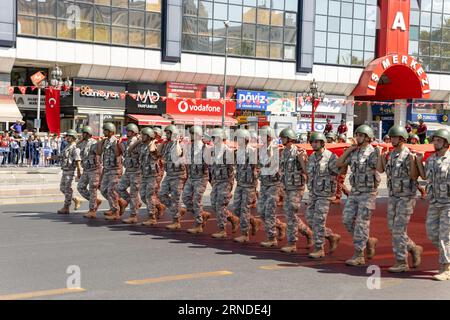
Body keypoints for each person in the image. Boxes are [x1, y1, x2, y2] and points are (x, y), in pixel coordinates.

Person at [376, 125, 423, 273]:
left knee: (398, 229)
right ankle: (413, 248)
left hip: (406, 197)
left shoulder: (408, 155)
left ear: (402, 139)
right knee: (392, 228)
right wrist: (381, 156)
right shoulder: (391, 154)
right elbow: (380, 169)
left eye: (394, 137)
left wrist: (414, 161)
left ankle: (401, 261)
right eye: (391, 137)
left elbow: (415, 176)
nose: (391, 140)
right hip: (394, 196)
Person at [336, 124, 379, 266]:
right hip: (355, 191)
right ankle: (367, 241)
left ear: (367, 138)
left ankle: (359, 255)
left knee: (362, 223)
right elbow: (339, 163)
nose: (357, 137)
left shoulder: (373, 152)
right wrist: (349, 150)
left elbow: (380, 168)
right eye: (357, 135)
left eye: (361, 135)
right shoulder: (354, 152)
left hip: (368, 192)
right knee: (347, 219)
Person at [416, 129, 450, 280]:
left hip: (448, 203)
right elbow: (424, 176)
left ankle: (446, 269)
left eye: (438, 140)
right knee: (431, 233)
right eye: (434, 140)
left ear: (446, 143)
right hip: (435, 202)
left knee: (444, 236)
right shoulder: (430, 159)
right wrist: (418, 161)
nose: (435, 143)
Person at [305, 132, 341, 258]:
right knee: (309, 218)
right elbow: (308, 172)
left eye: (316, 142)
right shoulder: (312, 157)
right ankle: (331, 236)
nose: (313, 144)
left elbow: (338, 172)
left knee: (318, 221)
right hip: (314, 192)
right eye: (312, 142)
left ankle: (319, 248)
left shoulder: (330, 157)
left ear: (322, 143)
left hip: (325, 194)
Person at [279, 127, 312, 253]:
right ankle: (308, 233)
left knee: (290, 214)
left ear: (289, 139)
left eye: (283, 138)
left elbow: (306, 170)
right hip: (287, 186)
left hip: (297, 187)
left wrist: (301, 159)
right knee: (289, 215)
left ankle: (292, 242)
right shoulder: (284, 152)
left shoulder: (299, 151)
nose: (281, 140)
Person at [208, 128, 239, 239]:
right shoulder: (212, 150)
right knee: (213, 203)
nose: (212, 139)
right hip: (216, 181)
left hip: (226, 181)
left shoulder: (228, 151)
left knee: (220, 204)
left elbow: (235, 166)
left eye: (214, 137)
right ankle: (232, 218)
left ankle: (222, 230)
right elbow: (210, 166)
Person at [231, 129, 260, 243]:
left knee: (244, 209)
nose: (238, 141)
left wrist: (254, 184)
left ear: (246, 140)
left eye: (240, 139)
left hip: (249, 185)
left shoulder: (252, 152)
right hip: (240, 183)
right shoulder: (238, 152)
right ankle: (253, 221)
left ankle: (244, 234)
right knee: (236, 209)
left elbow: (257, 168)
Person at [157, 125, 187, 230]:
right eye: (166, 133)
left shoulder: (181, 144)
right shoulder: (167, 144)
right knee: (161, 195)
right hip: (169, 174)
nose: (167, 135)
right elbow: (158, 153)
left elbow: (178, 154)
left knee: (175, 198)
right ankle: (178, 210)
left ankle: (176, 221)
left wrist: (177, 142)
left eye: (168, 133)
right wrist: (163, 142)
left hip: (178, 175)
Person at [117, 124, 143, 224]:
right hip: (128, 170)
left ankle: (133, 215)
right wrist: (119, 144)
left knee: (134, 194)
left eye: (128, 131)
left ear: (133, 132)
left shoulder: (138, 142)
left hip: (136, 172)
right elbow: (125, 153)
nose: (126, 132)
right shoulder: (127, 142)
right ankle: (135, 203)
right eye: (126, 131)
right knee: (119, 188)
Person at [98, 122, 123, 220]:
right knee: (103, 190)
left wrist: (117, 144)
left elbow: (118, 154)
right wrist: (101, 142)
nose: (104, 132)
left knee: (111, 191)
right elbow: (99, 153)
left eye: (106, 130)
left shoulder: (115, 141)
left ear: (111, 132)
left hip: (115, 169)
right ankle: (120, 202)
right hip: (107, 168)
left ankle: (115, 211)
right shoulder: (106, 141)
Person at [77, 126, 102, 219]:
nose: (82, 134)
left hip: (94, 170)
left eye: (83, 133)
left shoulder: (94, 143)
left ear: (88, 134)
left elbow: (99, 154)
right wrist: (81, 140)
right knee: (80, 187)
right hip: (86, 170)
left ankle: (92, 210)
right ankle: (96, 201)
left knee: (93, 189)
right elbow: (76, 146)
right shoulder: (83, 143)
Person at [138, 127, 160, 226]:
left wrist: (152, 141)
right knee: (142, 195)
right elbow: (129, 150)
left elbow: (153, 152)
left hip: (152, 175)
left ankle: (152, 217)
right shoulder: (142, 146)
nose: (141, 136)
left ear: (149, 136)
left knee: (149, 196)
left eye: (144, 135)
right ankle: (158, 206)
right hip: (144, 174)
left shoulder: (155, 145)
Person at [56, 129, 81, 214]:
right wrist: (52, 157)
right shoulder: (67, 146)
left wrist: (78, 171)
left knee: (67, 189)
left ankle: (66, 207)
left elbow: (78, 160)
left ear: (73, 137)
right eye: (67, 136)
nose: (67, 137)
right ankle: (75, 199)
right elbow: (61, 156)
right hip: (65, 170)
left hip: (71, 171)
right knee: (63, 188)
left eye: (69, 136)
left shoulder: (75, 147)